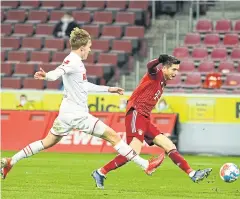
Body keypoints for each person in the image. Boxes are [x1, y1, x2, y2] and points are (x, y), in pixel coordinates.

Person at [1, 28, 163, 180]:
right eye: (89, 47)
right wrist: (47, 76)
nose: (90, 50)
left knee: (47, 141)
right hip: (77, 114)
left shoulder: (76, 62)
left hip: (66, 113)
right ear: (82, 48)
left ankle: (11, 161)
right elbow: (58, 72)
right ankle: (145, 165)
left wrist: (109, 89)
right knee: (113, 136)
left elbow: (84, 86)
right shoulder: (72, 61)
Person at [92, 55, 212, 189]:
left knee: (169, 145)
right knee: (133, 152)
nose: (175, 73)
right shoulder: (156, 74)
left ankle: (192, 173)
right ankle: (101, 172)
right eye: (173, 69)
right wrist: (159, 60)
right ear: (164, 68)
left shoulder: (163, 81)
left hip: (145, 118)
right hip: (135, 114)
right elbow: (150, 66)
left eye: (177, 70)